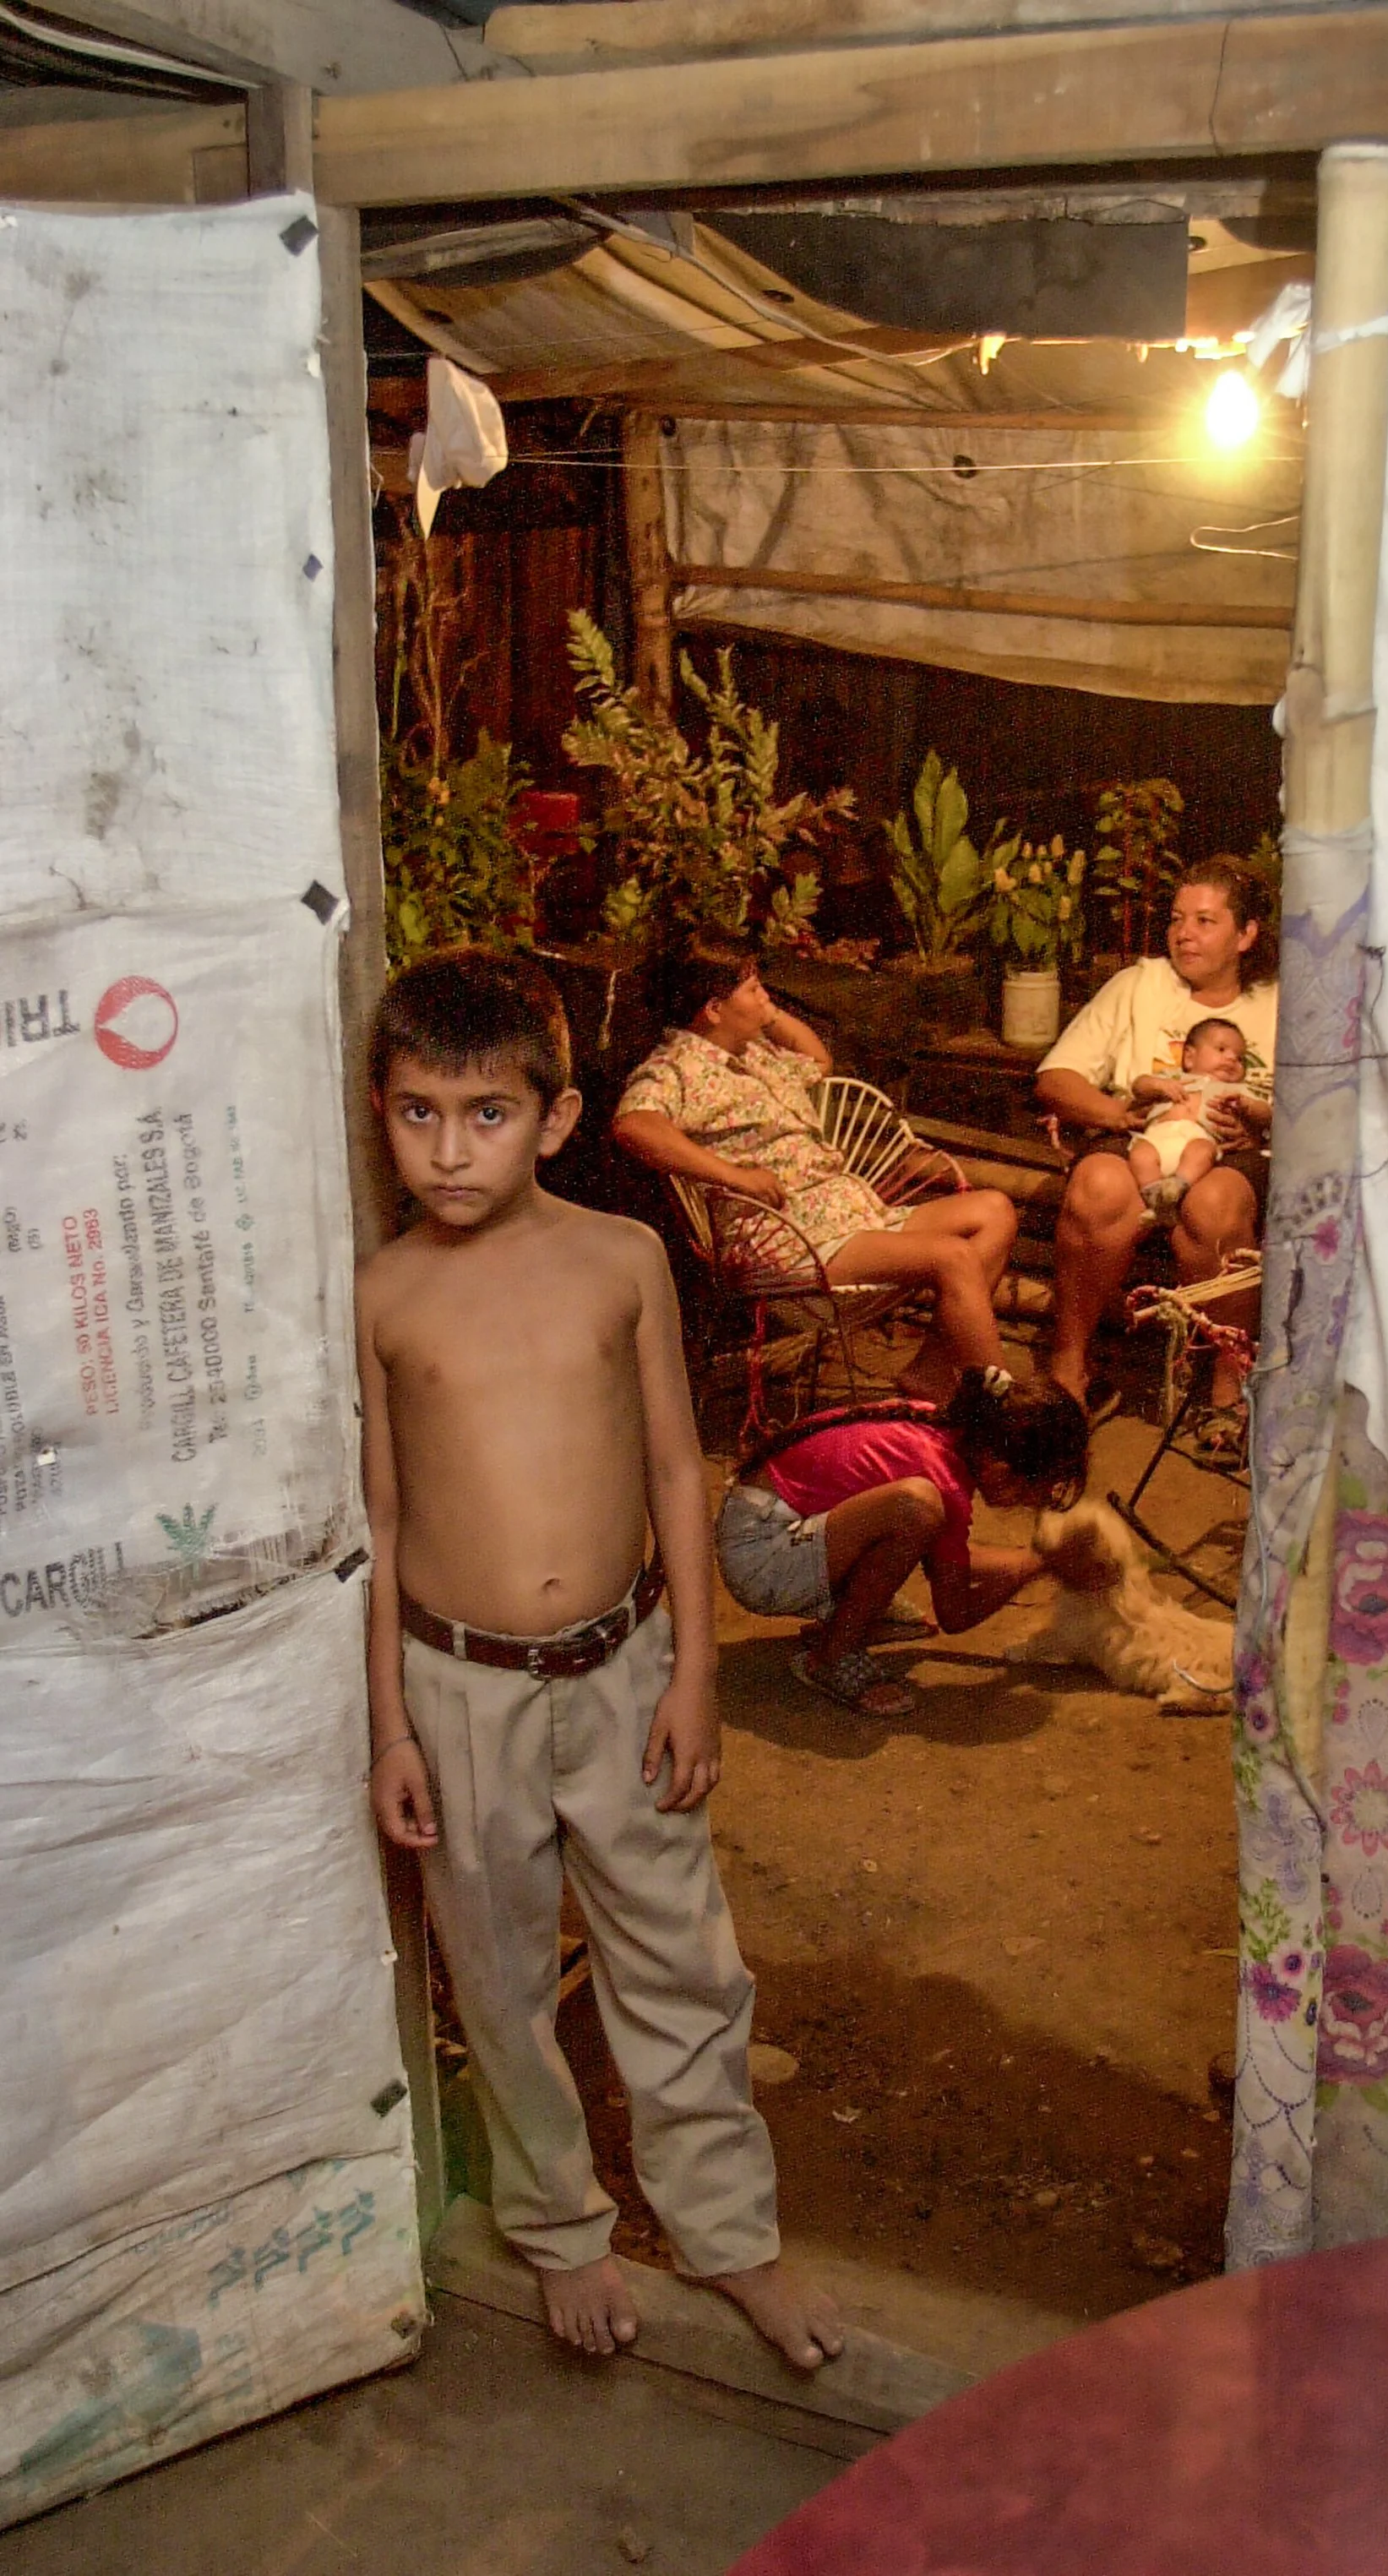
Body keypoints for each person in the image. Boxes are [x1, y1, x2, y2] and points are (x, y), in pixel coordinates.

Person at [357, 947, 841, 2372]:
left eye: (487, 1112)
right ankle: (561, 2225)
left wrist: (696, 1665)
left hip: (625, 1663)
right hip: (458, 1687)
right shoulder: (384, 1296)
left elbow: (682, 1476)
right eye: (417, 1112)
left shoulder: (620, 1259)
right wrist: (391, 1723)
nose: (450, 1149)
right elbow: (380, 1520)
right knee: (498, 1969)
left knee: (681, 1956)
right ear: (380, 1112)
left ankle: (728, 2231)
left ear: (556, 1118)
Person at [612, 945, 1018, 1399]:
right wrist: (733, 1175)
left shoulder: (756, 1053)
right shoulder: (675, 1070)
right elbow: (635, 1125)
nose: (767, 998)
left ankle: (930, 1371)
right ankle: (1003, 1412)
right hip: (792, 1237)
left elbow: (819, 1060)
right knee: (954, 1258)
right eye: (754, 989)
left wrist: (765, 1012)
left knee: (995, 1209)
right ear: (713, 1009)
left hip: (849, 1213)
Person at [1034, 860, 1278, 1442]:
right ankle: (1070, 1371)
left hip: (1230, 1151)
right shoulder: (1139, 986)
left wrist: (1268, 1126)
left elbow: (1331, 1103)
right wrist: (1119, 1113)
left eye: (1204, 920)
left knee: (1215, 1206)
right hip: (1140, 1136)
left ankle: (1226, 1378)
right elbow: (1056, 1078)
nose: (1183, 933)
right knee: (1098, 1188)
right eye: (1176, 920)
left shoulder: (1279, 1006)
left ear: (1245, 935)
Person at [716, 1365, 1091, 1720]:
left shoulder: (944, 1428)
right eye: (1037, 1489)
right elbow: (955, 1613)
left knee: (917, 1513)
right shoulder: (942, 1485)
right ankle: (834, 1654)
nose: (1034, 1502)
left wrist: (1037, 1559)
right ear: (1000, 1467)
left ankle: (847, 1614)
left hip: (768, 1524)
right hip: (760, 1559)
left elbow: (951, 1565)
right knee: (916, 1508)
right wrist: (1037, 1566)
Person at [1125, 1015, 1255, 1223]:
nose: (1232, 1059)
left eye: (1240, 1058)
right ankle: (1153, 1196)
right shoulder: (1172, 1079)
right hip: (1157, 1137)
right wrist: (1158, 1086)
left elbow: (1265, 1111)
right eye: (1221, 1050)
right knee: (1140, 1154)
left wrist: (1249, 1106)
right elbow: (1139, 1085)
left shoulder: (1235, 1091)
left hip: (1197, 1137)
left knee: (1202, 1151)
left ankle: (1178, 1186)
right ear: (1190, 1057)